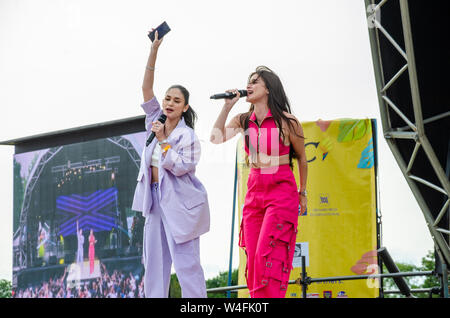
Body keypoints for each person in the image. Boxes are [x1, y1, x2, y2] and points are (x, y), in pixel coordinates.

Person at [210, 66, 308, 298]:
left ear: (268, 89)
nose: (249, 86)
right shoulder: (244, 120)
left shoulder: (288, 121)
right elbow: (215, 138)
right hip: (254, 191)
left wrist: (302, 192)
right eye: (249, 82)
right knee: (254, 259)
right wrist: (227, 106)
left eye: (255, 82)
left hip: (281, 190)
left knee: (268, 254)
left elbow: (302, 157)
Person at [132, 30, 210, 298]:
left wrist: (164, 141)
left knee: (187, 266)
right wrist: (154, 50)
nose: (169, 103)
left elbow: (180, 167)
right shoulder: (155, 119)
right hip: (153, 201)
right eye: (167, 99)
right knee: (154, 265)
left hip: (181, 204)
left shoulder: (187, 137)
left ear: (185, 107)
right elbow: (146, 89)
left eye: (176, 101)